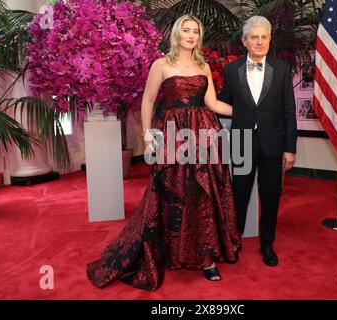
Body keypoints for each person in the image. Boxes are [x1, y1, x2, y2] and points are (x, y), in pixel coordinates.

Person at [86, 15, 241, 291]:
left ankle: (206, 258)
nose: (191, 35)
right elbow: (147, 99)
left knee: (202, 194)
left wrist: (248, 111)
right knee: (174, 193)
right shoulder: (161, 64)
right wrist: (147, 135)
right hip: (171, 135)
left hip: (204, 137)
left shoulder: (203, 65)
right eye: (186, 30)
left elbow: (213, 103)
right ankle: (172, 251)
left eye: (196, 31)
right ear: (177, 34)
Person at [219, 16, 297, 267]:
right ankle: (234, 242)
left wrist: (289, 148)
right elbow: (223, 103)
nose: (260, 41)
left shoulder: (283, 69)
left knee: (271, 195)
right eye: (254, 37)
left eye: (264, 36)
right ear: (244, 41)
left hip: (274, 143)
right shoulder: (231, 70)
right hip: (241, 141)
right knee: (238, 195)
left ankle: (267, 245)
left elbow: (288, 110)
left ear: (270, 39)